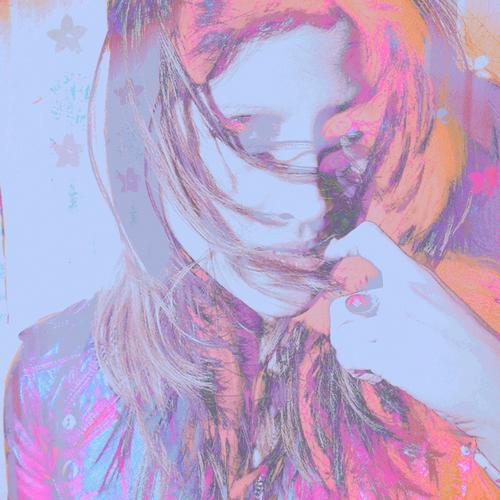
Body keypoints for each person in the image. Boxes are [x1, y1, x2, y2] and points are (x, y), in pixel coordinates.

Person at [4, 0, 500, 497]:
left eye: (344, 137)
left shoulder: (450, 346)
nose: (310, 204)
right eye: (251, 138)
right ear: (146, 133)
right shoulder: (56, 383)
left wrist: (488, 399)